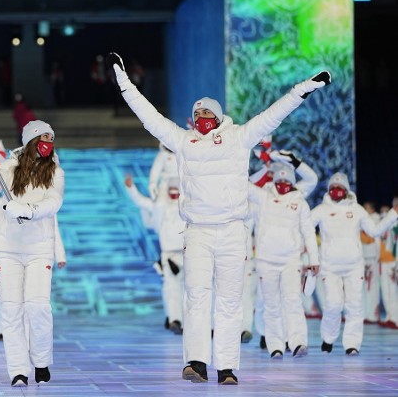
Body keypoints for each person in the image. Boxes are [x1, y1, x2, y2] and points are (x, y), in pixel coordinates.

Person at [108, 51, 330, 385]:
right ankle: (196, 362)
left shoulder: (240, 137)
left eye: (206, 111)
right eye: (196, 112)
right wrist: (125, 84)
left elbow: (274, 115)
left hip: (231, 231)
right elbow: (150, 118)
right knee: (195, 296)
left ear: (219, 114)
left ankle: (227, 367)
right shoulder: (183, 142)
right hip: (197, 231)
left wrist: (302, 89)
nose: (201, 116)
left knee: (229, 300)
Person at [0, 119, 64, 387]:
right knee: (11, 309)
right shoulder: (10, 166)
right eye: (43, 138)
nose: (48, 144)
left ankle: (41, 361)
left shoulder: (55, 171)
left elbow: (53, 203)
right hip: (8, 248)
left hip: (39, 248)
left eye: (51, 139)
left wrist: (26, 210)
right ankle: (18, 370)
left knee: (37, 307)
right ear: (31, 142)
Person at [309, 173, 398, 355]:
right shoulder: (321, 210)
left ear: (346, 190)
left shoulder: (357, 210)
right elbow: (304, 226)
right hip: (330, 266)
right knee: (333, 304)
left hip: (354, 266)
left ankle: (352, 344)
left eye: (339, 187)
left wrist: (393, 214)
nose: (336, 190)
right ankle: (328, 338)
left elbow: (374, 231)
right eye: (332, 187)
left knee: (355, 305)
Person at [247, 163, 319, 359]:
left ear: (293, 183)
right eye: (279, 180)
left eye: (287, 181)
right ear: (273, 181)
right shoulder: (263, 198)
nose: (283, 184)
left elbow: (309, 233)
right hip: (266, 260)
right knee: (270, 304)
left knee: (293, 301)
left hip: (290, 260)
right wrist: (260, 167)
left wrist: (314, 259)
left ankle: (298, 343)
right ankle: (275, 346)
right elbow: (243, 185)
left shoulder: (300, 203)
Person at [124, 174, 186, 335]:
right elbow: (140, 201)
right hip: (169, 255)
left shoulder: (188, 207)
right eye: (171, 191)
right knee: (171, 288)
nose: (174, 194)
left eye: (176, 191)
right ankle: (174, 319)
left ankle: (188, 321)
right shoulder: (160, 208)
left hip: (189, 254)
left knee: (189, 290)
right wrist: (131, 188)